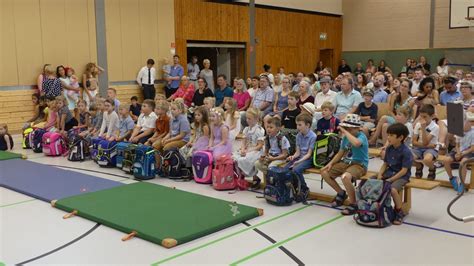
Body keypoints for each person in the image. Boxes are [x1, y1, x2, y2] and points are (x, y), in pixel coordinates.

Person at [321, 114, 369, 215]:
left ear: (357, 128)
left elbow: (356, 144)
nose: (347, 130)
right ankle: (341, 193)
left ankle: (353, 203)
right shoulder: (346, 138)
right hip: (346, 162)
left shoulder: (362, 136)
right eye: (346, 128)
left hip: (359, 164)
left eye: (350, 128)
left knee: (345, 177)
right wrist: (330, 163)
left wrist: (345, 132)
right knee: (325, 172)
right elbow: (340, 153)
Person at [377, 123, 414, 225]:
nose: (388, 137)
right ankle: (376, 207)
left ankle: (399, 211)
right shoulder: (389, 148)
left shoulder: (406, 152)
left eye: (391, 135)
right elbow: (385, 164)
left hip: (401, 176)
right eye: (388, 135)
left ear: (401, 137)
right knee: (372, 182)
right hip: (389, 173)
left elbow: (404, 171)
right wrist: (380, 174)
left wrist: (391, 179)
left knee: (393, 190)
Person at [285, 113, 317, 196]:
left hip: (308, 159)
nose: (297, 127)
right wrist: (293, 157)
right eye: (297, 125)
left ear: (308, 125)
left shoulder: (313, 136)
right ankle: (294, 187)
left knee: (296, 170)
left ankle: (304, 188)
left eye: (300, 125)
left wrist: (298, 161)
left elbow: (309, 154)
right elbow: (298, 152)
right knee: (286, 169)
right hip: (300, 157)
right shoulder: (298, 135)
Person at [254, 117, 290, 186]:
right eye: (267, 127)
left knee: (271, 167)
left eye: (271, 127)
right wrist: (263, 157)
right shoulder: (267, 138)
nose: (268, 129)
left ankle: (274, 180)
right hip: (271, 157)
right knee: (257, 163)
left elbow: (285, 154)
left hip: (280, 158)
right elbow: (266, 151)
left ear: (278, 128)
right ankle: (272, 177)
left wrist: (273, 159)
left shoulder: (282, 138)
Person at [234, 108, 265, 186]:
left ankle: (255, 177)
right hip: (248, 149)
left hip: (256, 150)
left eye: (249, 119)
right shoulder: (246, 129)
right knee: (235, 157)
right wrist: (243, 149)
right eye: (247, 118)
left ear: (256, 119)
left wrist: (248, 151)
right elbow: (243, 141)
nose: (247, 120)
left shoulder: (259, 130)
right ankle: (241, 175)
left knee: (246, 159)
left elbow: (260, 145)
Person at [412, 104, 439, 180]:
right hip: (419, 148)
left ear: (432, 116)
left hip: (431, 150)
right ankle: (419, 166)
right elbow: (414, 141)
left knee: (427, 160)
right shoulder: (418, 124)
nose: (422, 119)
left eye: (425, 117)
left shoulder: (435, 127)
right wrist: (428, 145)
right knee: (407, 157)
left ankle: (432, 168)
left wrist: (423, 129)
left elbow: (425, 142)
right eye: (421, 116)